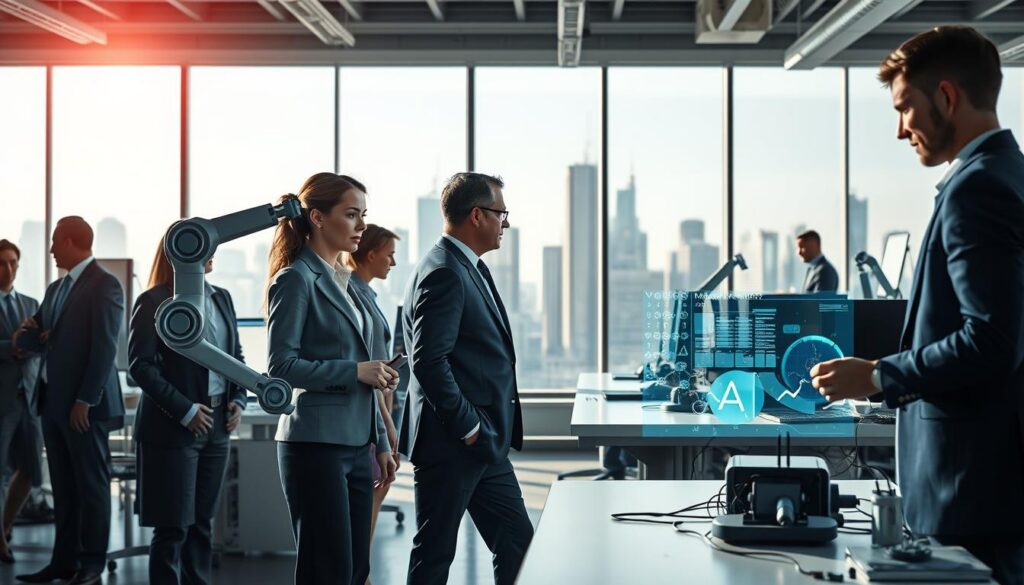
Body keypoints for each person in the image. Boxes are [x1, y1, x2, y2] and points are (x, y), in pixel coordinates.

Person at [810, 26, 1024, 585]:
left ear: (947, 98)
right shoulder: (1005, 174)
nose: (901, 129)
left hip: (971, 491)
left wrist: (879, 377)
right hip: (988, 483)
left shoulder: (979, 190)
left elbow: (992, 340)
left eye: (906, 108)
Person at [267, 172, 398, 585]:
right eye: (351, 214)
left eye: (363, 215)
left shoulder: (346, 283)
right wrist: (354, 372)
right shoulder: (294, 280)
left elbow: (366, 371)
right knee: (328, 570)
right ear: (318, 218)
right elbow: (281, 367)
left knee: (357, 568)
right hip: (315, 444)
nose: (361, 225)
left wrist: (377, 441)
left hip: (357, 444)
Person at [403, 172, 533, 585]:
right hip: (456, 441)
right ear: (477, 215)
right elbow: (428, 361)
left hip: (483, 443)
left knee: (518, 543)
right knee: (436, 551)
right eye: (501, 213)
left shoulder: (463, 265)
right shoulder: (445, 271)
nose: (505, 223)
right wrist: (470, 428)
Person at [129, 235, 248, 585]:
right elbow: (141, 366)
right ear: (183, 252)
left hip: (218, 426)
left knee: (201, 526)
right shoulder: (154, 300)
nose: (212, 253)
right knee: (172, 530)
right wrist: (184, 410)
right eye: (203, 246)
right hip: (172, 427)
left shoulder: (221, 297)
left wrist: (238, 399)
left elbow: (234, 357)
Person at [14, 217, 125, 585]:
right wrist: (32, 333)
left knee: (92, 487)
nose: (49, 250)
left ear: (68, 241)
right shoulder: (56, 288)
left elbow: (104, 348)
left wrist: (85, 400)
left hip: (83, 408)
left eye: (53, 243)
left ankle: (91, 565)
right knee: (63, 488)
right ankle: (63, 563)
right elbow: (29, 337)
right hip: (52, 404)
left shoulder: (105, 285)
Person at [343, 224, 403, 577]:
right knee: (370, 495)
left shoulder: (367, 293)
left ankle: (361, 572)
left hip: (378, 408)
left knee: (376, 491)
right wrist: (386, 424)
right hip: (370, 413)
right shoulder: (353, 291)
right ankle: (360, 574)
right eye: (389, 254)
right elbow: (368, 370)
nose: (393, 262)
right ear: (370, 254)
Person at [0, 239, 43, 564]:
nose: (8, 269)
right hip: (1, 401)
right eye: (2, 263)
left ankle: (3, 527)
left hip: (29, 398)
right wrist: (11, 348)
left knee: (30, 470)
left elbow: (45, 343)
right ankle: (1, 540)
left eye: (13, 262)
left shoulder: (31, 303)